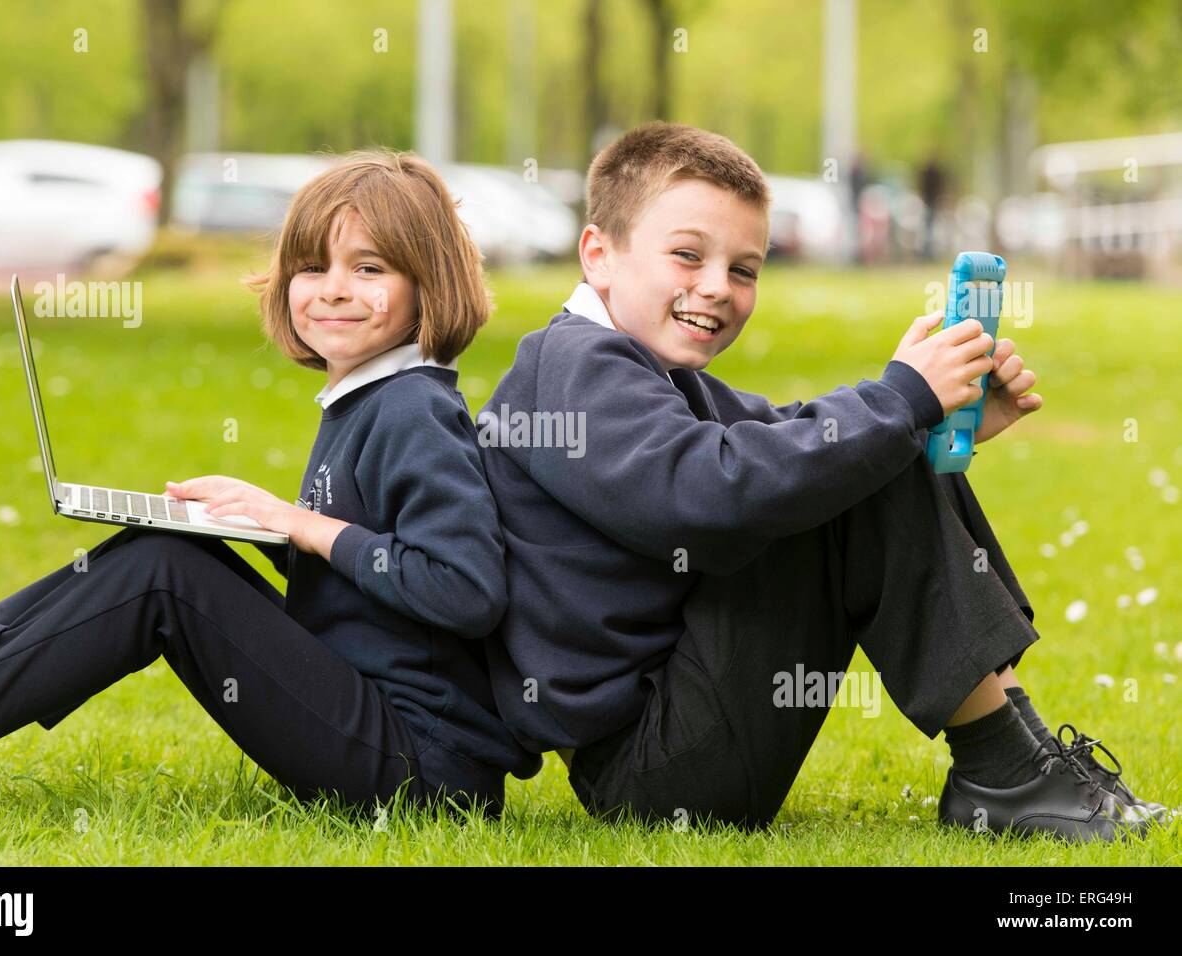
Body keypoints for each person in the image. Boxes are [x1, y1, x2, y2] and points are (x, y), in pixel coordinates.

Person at [477, 121, 1173, 841]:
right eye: (687, 255)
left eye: (743, 270)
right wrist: (901, 399)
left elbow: (788, 431)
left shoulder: (639, 366)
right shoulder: (572, 369)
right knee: (856, 455)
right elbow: (706, 496)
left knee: (869, 448)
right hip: (653, 769)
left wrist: (927, 415)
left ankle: (1021, 757)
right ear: (600, 254)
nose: (716, 288)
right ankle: (1006, 771)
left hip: (678, 734)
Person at [0, 149, 540, 815]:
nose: (334, 288)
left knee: (165, 574)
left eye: (368, 268)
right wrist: (257, 524)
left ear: (428, 285)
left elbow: (466, 590)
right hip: (384, 730)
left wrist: (303, 526)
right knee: (166, 550)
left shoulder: (411, 411)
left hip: (424, 769)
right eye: (313, 267)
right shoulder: (369, 399)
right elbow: (372, 583)